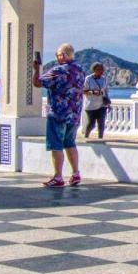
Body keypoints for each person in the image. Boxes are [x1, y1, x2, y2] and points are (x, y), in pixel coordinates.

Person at [33, 43, 85, 187]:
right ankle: (75, 174)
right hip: (74, 114)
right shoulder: (80, 70)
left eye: (57, 55)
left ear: (62, 55)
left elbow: (37, 83)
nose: (56, 58)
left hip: (58, 113)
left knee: (56, 144)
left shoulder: (58, 70)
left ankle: (58, 176)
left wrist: (36, 69)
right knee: (70, 143)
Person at [83, 62, 109, 139]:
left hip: (102, 104)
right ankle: (86, 136)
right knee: (91, 124)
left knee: (101, 123)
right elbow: (84, 91)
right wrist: (94, 92)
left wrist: (108, 102)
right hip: (91, 105)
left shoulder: (104, 79)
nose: (101, 71)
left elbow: (106, 91)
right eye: (99, 69)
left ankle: (100, 138)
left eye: (102, 69)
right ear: (94, 70)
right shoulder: (88, 78)